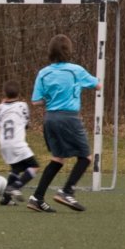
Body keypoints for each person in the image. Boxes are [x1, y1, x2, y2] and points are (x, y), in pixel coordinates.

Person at [28, 34, 101, 213]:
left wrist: (52, 97)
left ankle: (37, 197)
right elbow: (98, 86)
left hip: (50, 119)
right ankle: (66, 191)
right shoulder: (75, 70)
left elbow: (36, 101)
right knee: (85, 157)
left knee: (58, 159)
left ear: (50, 52)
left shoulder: (44, 72)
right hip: (69, 118)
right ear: (68, 51)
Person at [0, 80, 40, 206]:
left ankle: (6, 199)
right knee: (34, 166)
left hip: (4, 145)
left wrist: (2, 106)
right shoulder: (23, 106)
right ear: (19, 93)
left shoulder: (0, 107)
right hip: (17, 143)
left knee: (16, 169)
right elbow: (27, 124)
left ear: (4, 93)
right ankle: (16, 187)